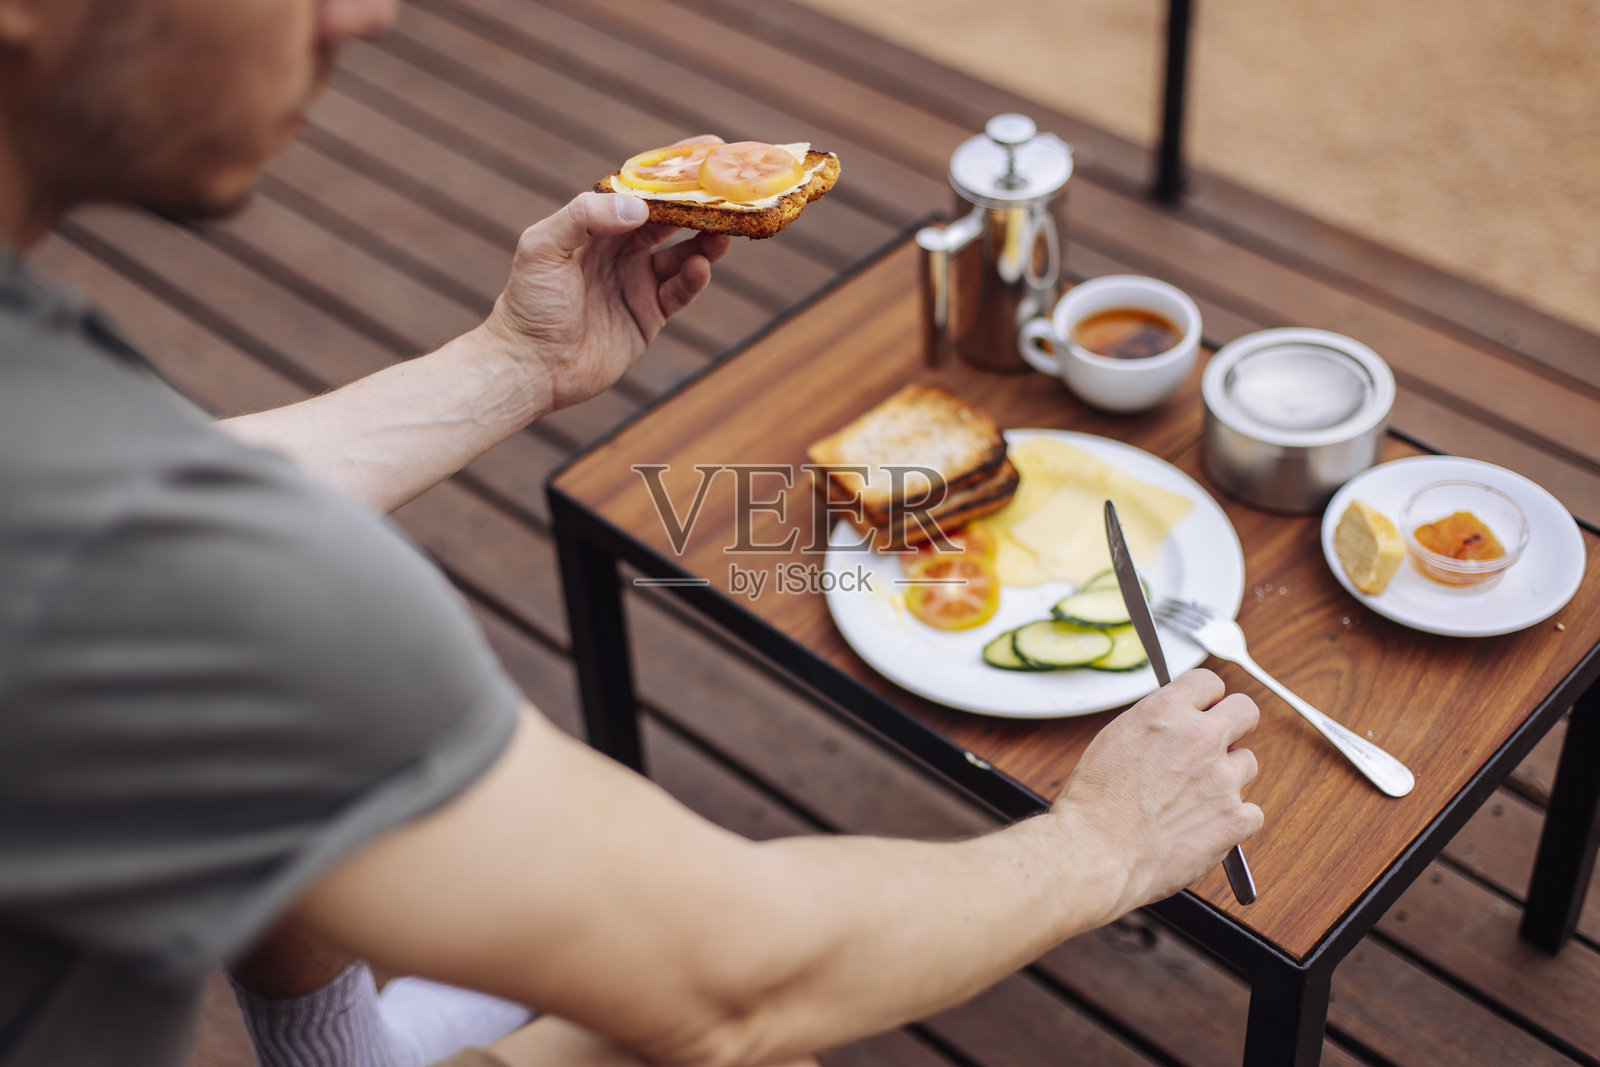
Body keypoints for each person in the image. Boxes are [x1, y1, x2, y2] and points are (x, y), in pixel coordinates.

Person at [0, 1, 1264, 1066]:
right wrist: (1101, 846)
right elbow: (737, 981)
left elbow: (169, 493)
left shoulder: (76, 456)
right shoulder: (149, 561)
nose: (364, 13)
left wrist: (511, 364)